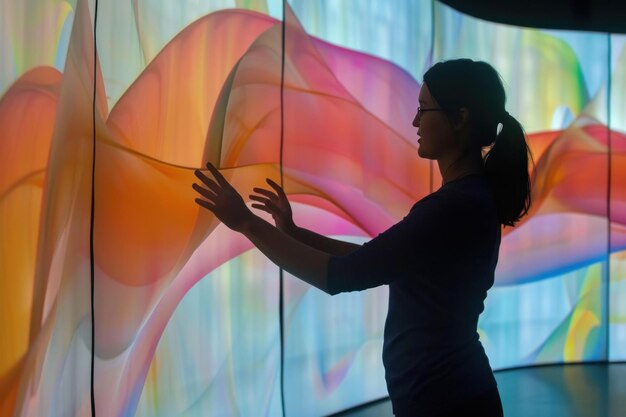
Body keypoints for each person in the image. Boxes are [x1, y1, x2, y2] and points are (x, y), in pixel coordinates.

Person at [192, 58, 532, 417]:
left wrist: (245, 222)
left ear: (460, 117)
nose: (415, 121)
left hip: (445, 401)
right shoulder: (468, 200)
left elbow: (340, 275)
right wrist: (293, 233)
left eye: (423, 109)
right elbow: (376, 259)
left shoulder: (451, 209)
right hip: (453, 395)